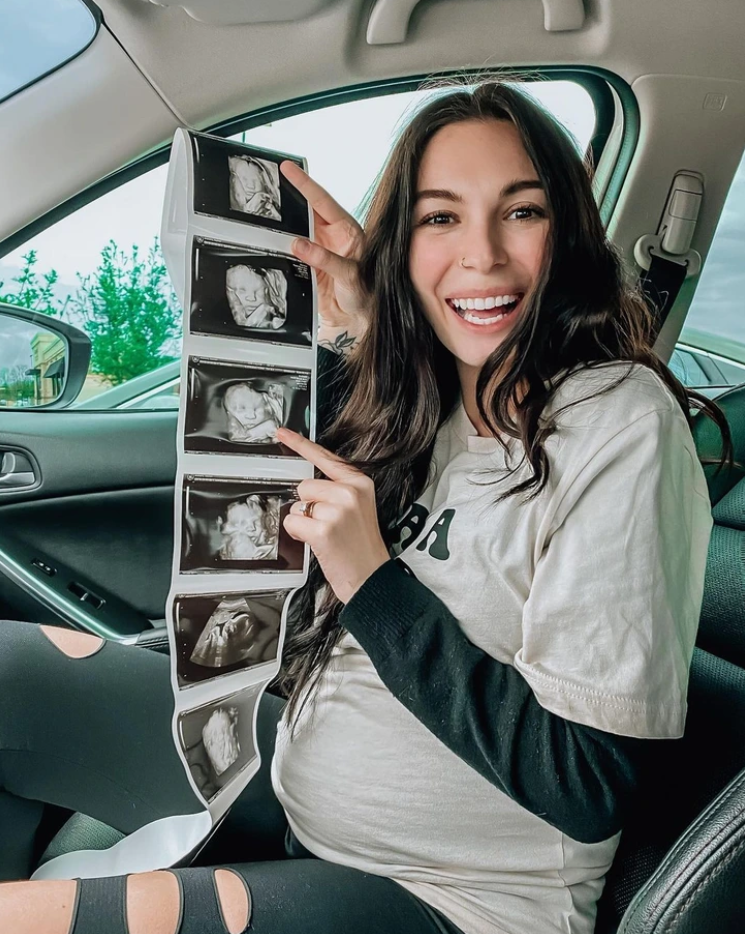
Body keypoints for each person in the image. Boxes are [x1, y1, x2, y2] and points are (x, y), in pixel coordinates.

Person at [0, 80, 735, 934]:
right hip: (291, 793)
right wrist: (362, 326)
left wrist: (373, 579)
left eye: (520, 211)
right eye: (438, 219)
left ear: (566, 232)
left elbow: (586, 785)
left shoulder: (616, 421)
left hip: (450, 901)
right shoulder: (439, 392)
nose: (482, 254)